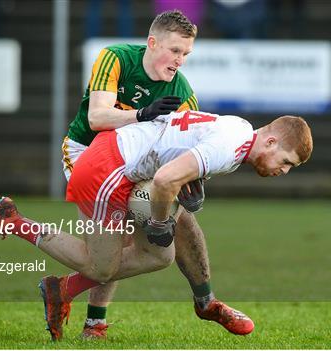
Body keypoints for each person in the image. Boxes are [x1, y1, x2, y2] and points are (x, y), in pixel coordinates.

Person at [0, 111, 313, 340]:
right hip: (107, 169)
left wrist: (183, 194)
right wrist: (160, 220)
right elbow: (166, 178)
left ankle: (62, 290)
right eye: (286, 162)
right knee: (102, 268)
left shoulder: (238, 130)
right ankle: (12, 221)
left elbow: (174, 154)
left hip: (128, 169)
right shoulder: (231, 146)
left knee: (160, 256)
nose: (283, 171)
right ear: (270, 142)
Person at [63, 9, 242, 339]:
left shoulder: (182, 93)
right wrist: (143, 114)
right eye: (175, 50)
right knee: (114, 244)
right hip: (86, 155)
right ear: (152, 42)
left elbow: (187, 150)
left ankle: (206, 301)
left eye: (186, 54)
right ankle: (88, 317)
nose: (179, 60)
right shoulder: (116, 57)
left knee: (182, 216)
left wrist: (193, 185)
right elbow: (97, 118)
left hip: (135, 163)